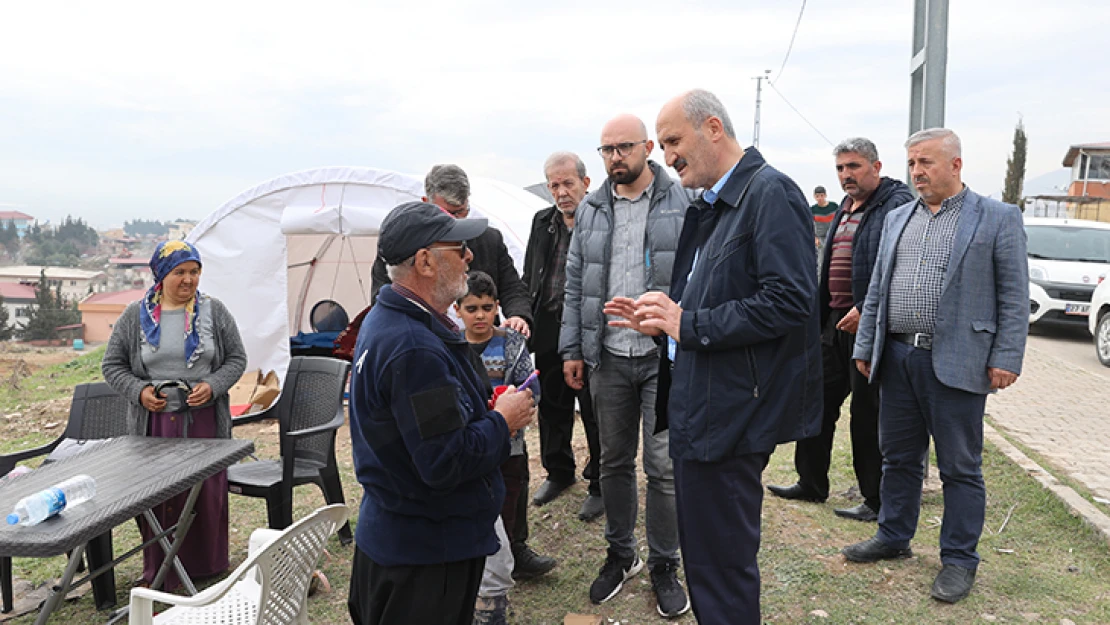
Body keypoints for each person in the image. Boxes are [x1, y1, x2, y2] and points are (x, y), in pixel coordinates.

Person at [606, 89, 821, 624]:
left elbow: (791, 301)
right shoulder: (716, 206)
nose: (666, 153)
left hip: (732, 413)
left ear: (714, 129)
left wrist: (688, 323)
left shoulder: (770, 194)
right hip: (702, 406)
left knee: (721, 565)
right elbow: (717, 300)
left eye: (675, 140)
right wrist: (665, 322)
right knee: (704, 559)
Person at [843, 128, 1029, 604]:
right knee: (898, 457)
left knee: (960, 467)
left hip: (958, 361)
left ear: (956, 165)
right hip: (899, 357)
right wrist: (866, 346)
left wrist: (1007, 356)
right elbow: (879, 292)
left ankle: (959, 559)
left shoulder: (996, 218)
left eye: (926, 162)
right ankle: (893, 535)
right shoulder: (899, 217)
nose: (917, 172)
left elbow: (1013, 294)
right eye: (912, 163)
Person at [347, 201, 535, 625]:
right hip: (424, 557)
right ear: (426, 262)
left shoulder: (390, 319)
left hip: (403, 540)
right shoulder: (414, 347)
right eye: (459, 247)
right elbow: (445, 460)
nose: (470, 255)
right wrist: (502, 420)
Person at [560, 114, 691, 617]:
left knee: (663, 468)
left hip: (663, 357)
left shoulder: (681, 201)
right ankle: (621, 555)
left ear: (648, 147)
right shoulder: (592, 208)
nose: (615, 157)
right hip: (607, 356)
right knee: (613, 461)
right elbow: (576, 283)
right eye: (606, 149)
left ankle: (664, 563)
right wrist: (573, 348)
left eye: (623, 147)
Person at [767, 138, 913, 522]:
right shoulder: (844, 207)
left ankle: (875, 499)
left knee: (867, 415)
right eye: (840, 168)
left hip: (869, 327)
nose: (846, 175)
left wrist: (867, 309)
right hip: (831, 324)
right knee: (816, 403)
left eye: (854, 166)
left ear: (876, 166)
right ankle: (811, 482)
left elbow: (900, 268)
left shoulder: (896, 206)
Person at [102, 239, 247, 590]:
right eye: (179, 272)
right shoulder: (134, 317)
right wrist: (140, 392)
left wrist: (212, 385)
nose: (188, 279)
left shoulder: (214, 312)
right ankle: (163, 567)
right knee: (160, 495)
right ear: (161, 274)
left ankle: (207, 566)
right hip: (154, 425)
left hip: (204, 422)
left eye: (194, 272)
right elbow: (112, 365)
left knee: (204, 492)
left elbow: (236, 360)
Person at [455, 271, 554, 622]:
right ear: (458, 310)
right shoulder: (452, 345)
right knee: (474, 517)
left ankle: (500, 579)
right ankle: (475, 585)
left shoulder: (512, 343)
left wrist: (514, 398)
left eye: (486, 307)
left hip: (510, 451)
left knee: (507, 512)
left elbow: (532, 390)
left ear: (497, 307)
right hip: (471, 450)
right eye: (472, 308)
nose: (480, 315)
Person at [522, 151, 604, 521]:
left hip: (590, 325)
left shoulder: (604, 219)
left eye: (568, 183)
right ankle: (559, 471)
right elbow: (531, 275)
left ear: (586, 183)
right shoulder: (542, 222)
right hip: (551, 321)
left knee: (594, 406)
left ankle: (601, 482)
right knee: (552, 402)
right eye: (554, 184)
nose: (561, 191)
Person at [369, 164, 532, 336]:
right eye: (448, 213)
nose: (457, 221)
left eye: (462, 212)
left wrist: (518, 316)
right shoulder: (402, 243)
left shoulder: (490, 239)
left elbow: (513, 288)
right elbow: (384, 300)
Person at [811, 186, 839, 251]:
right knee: (821, 259)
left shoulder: (834, 206)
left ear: (825, 195)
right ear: (814, 197)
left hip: (833, 236)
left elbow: (840, 220)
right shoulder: (812, 210)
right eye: (817, 196)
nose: (820, 198)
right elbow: (809, 226)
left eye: (821, 195)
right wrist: (815, 238)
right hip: (820, 239)